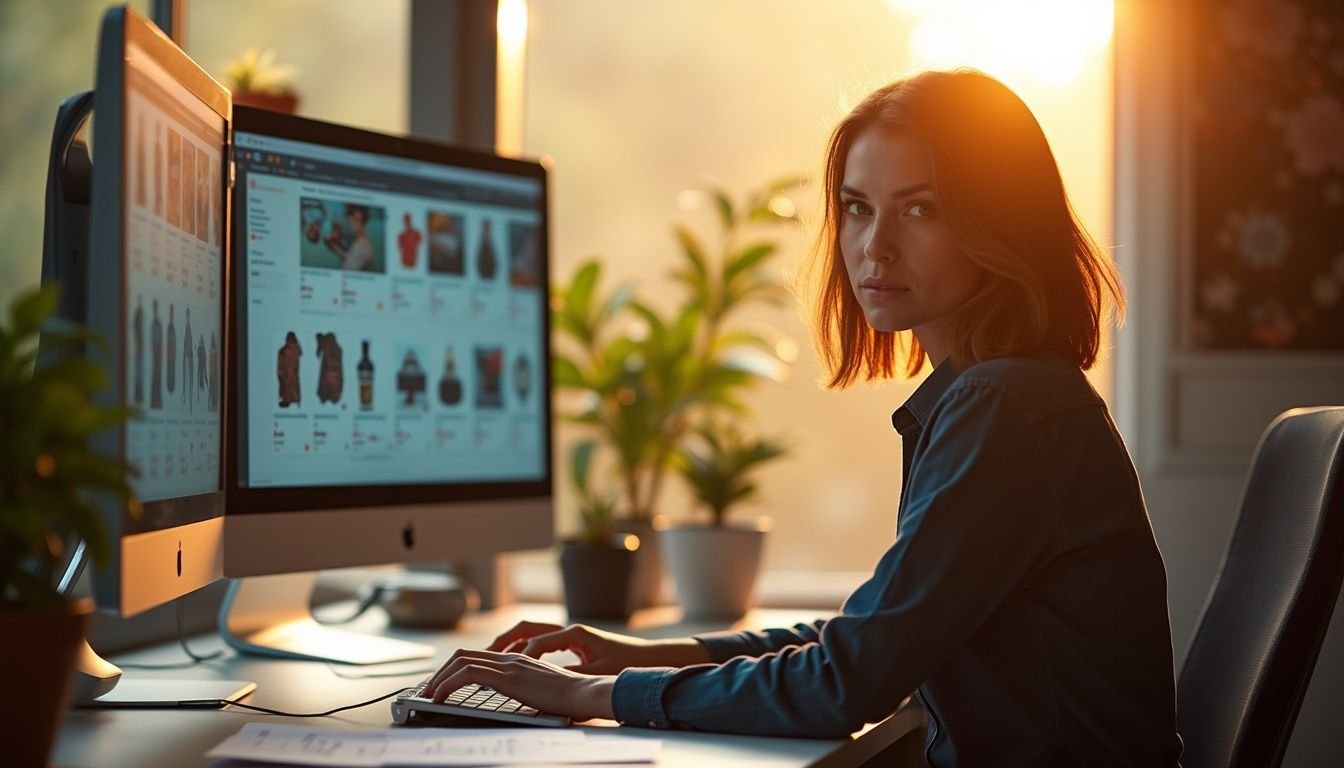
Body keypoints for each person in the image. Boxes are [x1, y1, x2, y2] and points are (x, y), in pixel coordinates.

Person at [425, 69, 1183, 766]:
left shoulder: (1007, 409)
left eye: (921, 209)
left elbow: (845, 684)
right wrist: (640, 656)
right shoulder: (1006, 396)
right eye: (857, 209)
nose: (873, 247)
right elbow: (868, 642)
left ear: (1000, 223)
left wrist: (591, 698)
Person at [324, 203, 376, 271]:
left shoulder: (363, 247)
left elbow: (349, 265)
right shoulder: (358, 243)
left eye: (357, 220)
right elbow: (350, 258)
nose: (353, 223)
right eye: (352, 219)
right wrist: (334, 247)